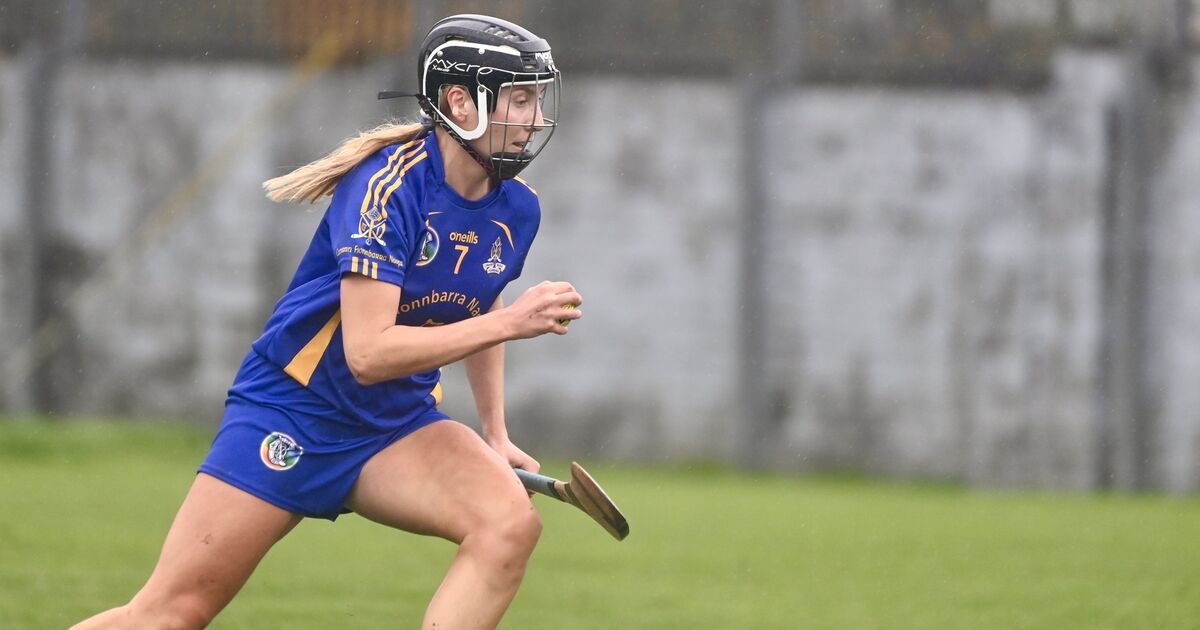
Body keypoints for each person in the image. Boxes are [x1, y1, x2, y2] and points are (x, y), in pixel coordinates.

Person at [73, 13, 578, 630]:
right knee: (170, 615)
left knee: (509, 525)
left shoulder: (517, 208)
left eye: (536, 99)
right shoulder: (386, 189)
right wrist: (511, 324)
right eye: (519, 99)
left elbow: (480, 300)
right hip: (294, 410)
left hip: (395, 425)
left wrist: (496, 431)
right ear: (459, 101)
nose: (533, 118)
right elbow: (368, 353)